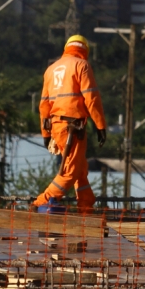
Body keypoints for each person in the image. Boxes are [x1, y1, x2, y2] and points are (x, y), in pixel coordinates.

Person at [33, 35, 107, 212]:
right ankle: (42, 201)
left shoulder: (51, 69)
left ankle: (86, 204)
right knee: (71, 171)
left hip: (58, 127)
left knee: (80, 168)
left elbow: (44, 105)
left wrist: (46, 133)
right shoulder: (82, 65)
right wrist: (100, 126)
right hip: (73, 127)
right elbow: (92, 98)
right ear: (85, 50)